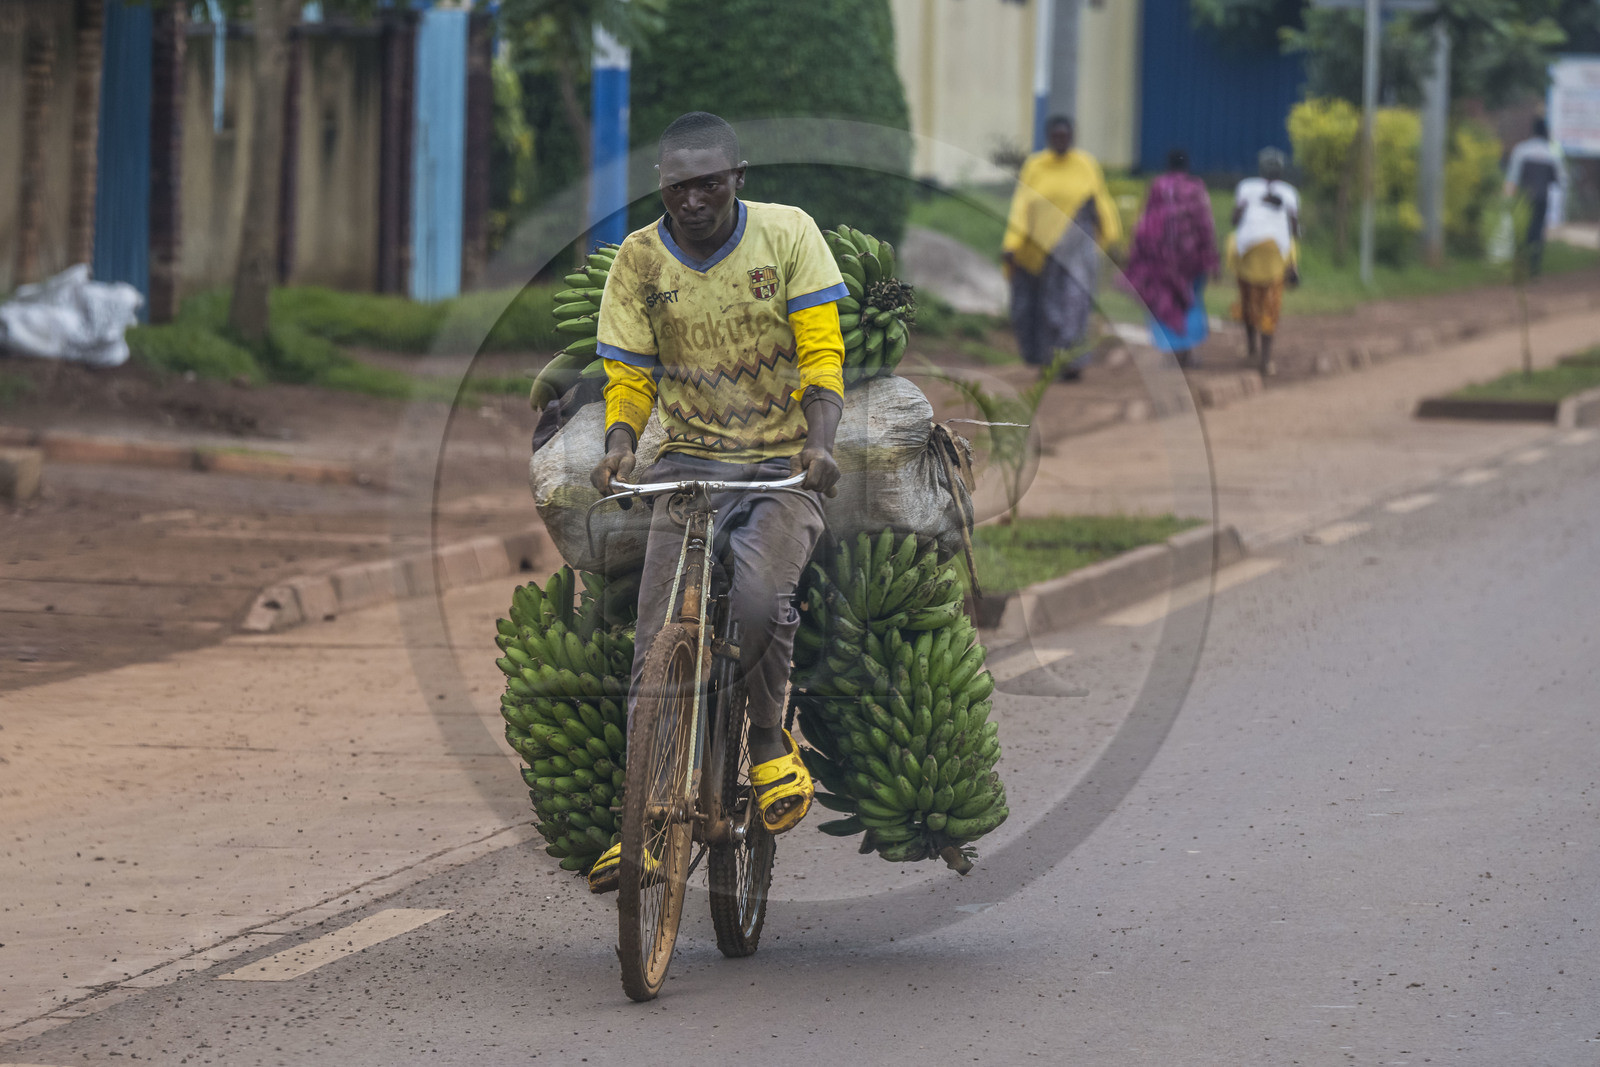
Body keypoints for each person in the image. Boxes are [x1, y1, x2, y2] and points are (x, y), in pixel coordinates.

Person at [584, 112, 848, 893]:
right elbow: (629, 374)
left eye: (708, 182)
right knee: (656, 641)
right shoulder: (639, 258)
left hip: (779, 464)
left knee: (764, 596)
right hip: (691, 466)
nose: (692, 198)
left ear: (739, 180)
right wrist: (620, 443)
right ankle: (642, 823)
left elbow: (821, 352)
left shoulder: (788, 236)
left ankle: (767, 740)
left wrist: (821, 441)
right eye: (676, 185)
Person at [1001, 115, 1122, 379]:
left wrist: (1111, 238)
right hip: (1042, 253)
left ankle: (1073, 362)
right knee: (1048, 309)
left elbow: (1100, 201)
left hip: (1078, 248)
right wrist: (1012, 243)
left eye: (1065, 136)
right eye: (1055, 136)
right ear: (1048, 138)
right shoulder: (1035, 166)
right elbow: (1022, 206)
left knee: (1074, 305)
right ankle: (1050, 362)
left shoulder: (1085, 165)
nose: (1060, 140)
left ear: (1072, 137)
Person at [1121, 148, 1219, 368]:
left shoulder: (1157, 187)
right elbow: (1205, 224)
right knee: (1190, 301)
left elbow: (1146, 221)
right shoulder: (1196, 188)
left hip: (1161, 260)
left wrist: (1138, 253)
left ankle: (1171, 354)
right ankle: (1188, 352)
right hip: (1191, 260)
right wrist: (1211, 257)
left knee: (1166, 302)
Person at [1230, 147, 1299, 376]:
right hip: (1274, 256)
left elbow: (1235, 220)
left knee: (1248, 299)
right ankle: (1266, 360)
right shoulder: (1289, 192)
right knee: (1271, 305)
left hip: (1248, 252)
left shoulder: (1246, 187)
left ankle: (1251, 348)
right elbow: (1294, 229)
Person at [1504, 116, 1568, 277]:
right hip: (1542, 198)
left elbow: (1512, 178)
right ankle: (1534, 266)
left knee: (1523, 229)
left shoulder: (1522, 150)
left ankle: (1521, 263)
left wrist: (1507, 200)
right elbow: (1561, 180)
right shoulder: (1553, 152)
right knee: (1538, 230)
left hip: (1524, 198)